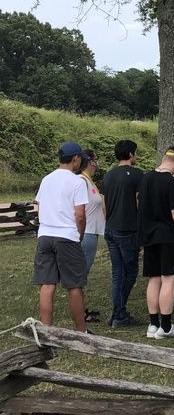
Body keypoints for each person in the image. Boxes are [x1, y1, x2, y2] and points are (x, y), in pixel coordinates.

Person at [33, 142, 90, 332]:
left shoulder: (46, 179)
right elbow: (80, 214)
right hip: (67, 236)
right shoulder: (77, 182)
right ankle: (80, 331)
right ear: (75, 158)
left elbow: (39, 207)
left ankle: (46, 330)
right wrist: (79, 234)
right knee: (74, 285)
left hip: (45, 235)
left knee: (47, 283)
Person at [139, 146, 174, 340]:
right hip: (169, 237)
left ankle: (153, 324)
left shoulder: (145, 178)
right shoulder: (172, 183)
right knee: (169, 279)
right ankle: (166, 325)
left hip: (150, 236)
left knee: (154, 279)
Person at [102, 139, 144, 327]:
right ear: (130, 154)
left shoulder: (108, 176)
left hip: (110, 228)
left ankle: (118, 311)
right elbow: (138, 201)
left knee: (118, 272)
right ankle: (119, 313)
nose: (136, 156)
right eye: (135, 152)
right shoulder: (137, 175)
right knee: (131, 270)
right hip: (127, 229)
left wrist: (109, 220)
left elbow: (104, 204)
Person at [78, 150, 105, 322]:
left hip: (93, 231)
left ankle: (82, 308)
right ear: (90, 162)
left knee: (84, 273)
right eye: (95, 160)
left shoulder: (89, 181)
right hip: (86, 232)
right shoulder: (81, 181)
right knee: (81, 274)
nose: (97, 163)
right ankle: (80, 313)